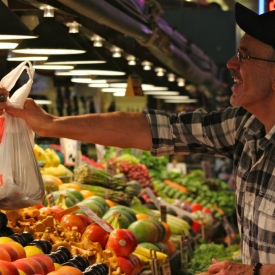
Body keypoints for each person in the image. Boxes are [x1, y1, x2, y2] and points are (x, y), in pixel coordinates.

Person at [1, 2, 275, 274]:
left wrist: (253, 272)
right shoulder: (245, 127)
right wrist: (49, 124)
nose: (231, 63)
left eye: (245, 56)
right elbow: (152, 129)